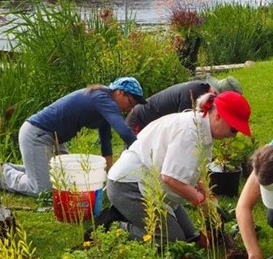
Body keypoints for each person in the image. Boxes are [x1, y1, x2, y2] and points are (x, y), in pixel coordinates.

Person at [106, 91, 252, 242]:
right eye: (233, 129)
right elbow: (170, 178)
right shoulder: (190, 131)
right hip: (129, 186)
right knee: (172, 240)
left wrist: (202, 189)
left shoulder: (202, 129)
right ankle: (114, 227)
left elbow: (185, 168)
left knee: (189, 236)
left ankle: (132, 216)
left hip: (153, 186)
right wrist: (201, 201)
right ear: (218, 116)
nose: (233, 136)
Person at [0, 77, 145, 196]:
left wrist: (109, 177)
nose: (131, 108)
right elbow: (124, 132)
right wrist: (143, 154)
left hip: (54, 139)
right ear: (120, 92)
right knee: (42, 189)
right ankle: (2, 174)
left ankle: (24, 170)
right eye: (131, 102)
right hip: (37, 134)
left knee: (67, 179)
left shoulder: (105, 105)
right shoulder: (103, 98)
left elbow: (106, 142)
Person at [125, 76, 242, 134]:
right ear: (216, 92)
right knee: (133, 157)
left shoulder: (205, 93)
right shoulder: (193, 93)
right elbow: (183, 128)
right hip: (140, 119)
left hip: (156, 126)